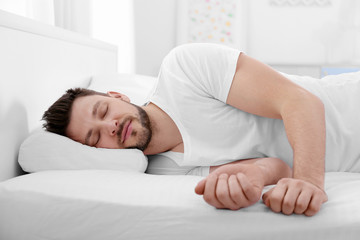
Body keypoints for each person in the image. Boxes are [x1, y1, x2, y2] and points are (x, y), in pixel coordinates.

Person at [43, 43, 360, 216]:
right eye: (95, 138)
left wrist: (308, 183)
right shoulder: (162, 176)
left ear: (117, 96)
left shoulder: (183, 70)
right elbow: (278, 165)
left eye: (103, 112)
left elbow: (300, 102)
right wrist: (255, 176)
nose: (109, 127)